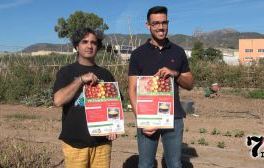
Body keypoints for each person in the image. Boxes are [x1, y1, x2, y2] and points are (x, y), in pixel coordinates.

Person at [128, 6, 194, 168]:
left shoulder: (178, 52)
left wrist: (175, 73)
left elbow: (190, 84)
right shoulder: (138, 54)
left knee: (174, 164)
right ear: (148, 25)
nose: (161, 27)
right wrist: (142, 121)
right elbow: (132, 89)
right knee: (145, 164)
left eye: (164, 22)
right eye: (156, 23)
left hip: (174, 117)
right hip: (147, 117)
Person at [53, 27, 117, 168]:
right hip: (75, 143)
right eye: (85, 42)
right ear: (77, 46)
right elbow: (58, 100)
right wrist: (81, 80)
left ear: (97, 47)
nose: (89, 45)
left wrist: (114, 126)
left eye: (93, 43)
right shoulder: (66, 72)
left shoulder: (106, 74)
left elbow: (114, 105)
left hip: (102, 143)